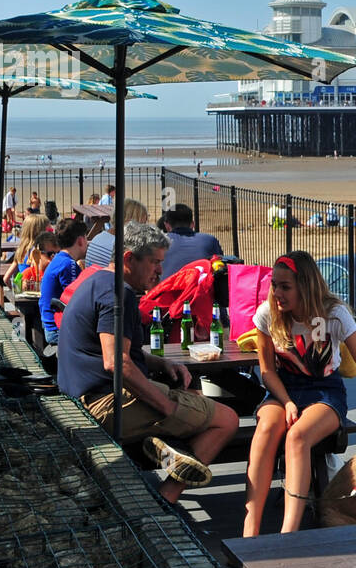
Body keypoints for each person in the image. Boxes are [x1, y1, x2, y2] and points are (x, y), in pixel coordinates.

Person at [57, 222, 237, 503]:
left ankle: (160, 441)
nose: (160, 271)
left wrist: (160, 364)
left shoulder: (96, 280)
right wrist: (165, 408)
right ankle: (168, 496)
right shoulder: (119, 293)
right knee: (227, 420)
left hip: (79, 398)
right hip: (105, 405)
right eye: (154, 262)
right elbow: (116, 362)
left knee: (189, 396)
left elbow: (113, 353)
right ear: (129, 258)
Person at [244, 252, 356, 536]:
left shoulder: (334, 314)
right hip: (284, 388)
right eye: (274, 285)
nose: (277, 293)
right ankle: (250, 528)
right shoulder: (268, 314)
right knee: (266, 428)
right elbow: (267, 372)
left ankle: (288, 534)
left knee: (297, 437)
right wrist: (287, 402)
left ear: (305, 286)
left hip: (324, 390)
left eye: (285, 287)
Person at [39, 218, 88, 346]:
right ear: (80, 241)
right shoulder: (68, 264)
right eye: (86, 239)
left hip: (50, 326)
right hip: (58, 330)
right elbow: (75, 301)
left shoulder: (59, 259)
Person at [161, 203, 224, 279]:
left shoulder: (159, 241)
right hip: (200, 289)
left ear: (166, 225)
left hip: (167, 288)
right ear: (192, 224)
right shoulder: (209, 239)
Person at [85, 198, 150, 268]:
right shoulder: (121, 247)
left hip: (93, 276)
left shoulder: (99, 237)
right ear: (131, 221)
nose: (144, 228)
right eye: (143, 223)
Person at [5, 212, 53, 284]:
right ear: (40, 233)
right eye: (50, 231)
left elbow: (6, 278)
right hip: (35, 291)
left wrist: (17, 291)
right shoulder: (37, 252)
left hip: (23, 291)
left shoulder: (21, 250)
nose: (52, 234)